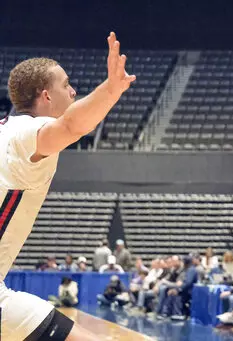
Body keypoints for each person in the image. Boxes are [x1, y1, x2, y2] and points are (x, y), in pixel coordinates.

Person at [0, 32, 134, 340]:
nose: (73, 91)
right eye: (65, 84)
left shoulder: (8, 132)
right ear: (46, 95)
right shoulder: (26, 136)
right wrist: (111, 89)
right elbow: (72, 126)